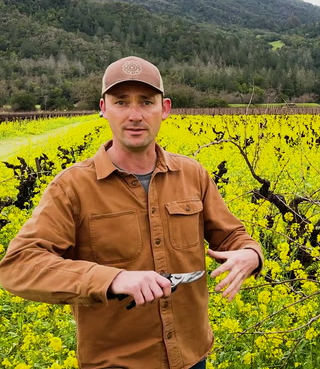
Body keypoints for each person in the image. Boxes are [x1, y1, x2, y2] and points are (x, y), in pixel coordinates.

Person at [0, 56, 263, 368]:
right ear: (103, 108)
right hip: (117, 363)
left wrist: (250, 254)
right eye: (122, 102)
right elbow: (18, 265)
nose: (135, 115)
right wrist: (111, 279)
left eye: (146, 102)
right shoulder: (72, 187)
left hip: (193, 357)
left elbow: (232, 235)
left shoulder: (193, 174)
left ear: (164, 109)